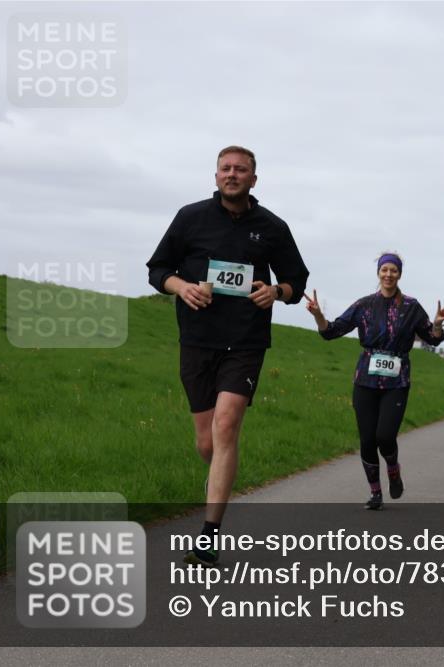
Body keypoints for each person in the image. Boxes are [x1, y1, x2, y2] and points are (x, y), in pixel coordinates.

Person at [146, 145, 310, 566]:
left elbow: (296, 280)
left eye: (241, 170)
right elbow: (157, 269)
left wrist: (276, 291)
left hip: (246, 340)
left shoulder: (272, 226)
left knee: (226, 422)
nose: (232, 174)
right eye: (226, 168)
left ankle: (208, 536)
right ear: (216, 175)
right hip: (198, 339)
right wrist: (181, 287)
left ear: (254, 179)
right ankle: (222, 470)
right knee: (209, 442)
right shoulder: (190, 217)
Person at [305, 253, 444, 510]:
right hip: (365, 380)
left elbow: (433, 337)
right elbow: (332, 331)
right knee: (367, 440)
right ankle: (375, 492)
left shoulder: (411, 306)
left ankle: (393, 469)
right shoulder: (364, 305)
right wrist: (318, 314)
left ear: (400, 274)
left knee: (385, 436)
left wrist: (437, 324)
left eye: (394, 270)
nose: (388, 274)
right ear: (378, 273)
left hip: (397, 381)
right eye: (384, 269)